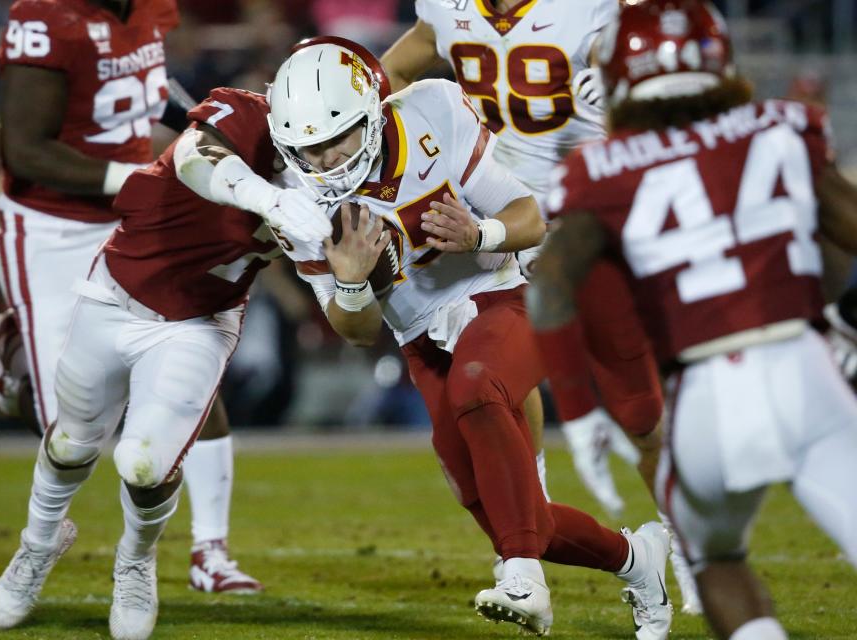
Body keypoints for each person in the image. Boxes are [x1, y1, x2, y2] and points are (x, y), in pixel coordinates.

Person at [229, 36, 670, 638]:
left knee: (479, 384)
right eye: (311, 149)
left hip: (504, 293)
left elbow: (530, 215)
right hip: (418, 336)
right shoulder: (296, 203)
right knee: (518, 516)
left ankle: (522, 580)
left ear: (373, 111)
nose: (328, 159)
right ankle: (637, 560)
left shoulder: (432, 113)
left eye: (339, 137)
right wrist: (355, 285)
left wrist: (480, 233)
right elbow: (356, 332)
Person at [527, 2, 857, 639]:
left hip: (704, 400)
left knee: (715, 558)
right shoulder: (783, 126)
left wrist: (580, 407)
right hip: (803, 368)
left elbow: (551, 289)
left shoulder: (597, 170)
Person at [380, 0, 701, 613]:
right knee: (497, 377)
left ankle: (683, 536)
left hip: (582, 218)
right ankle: (525, 537)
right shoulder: (449, 10)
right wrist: (436, 155)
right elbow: (387, 81)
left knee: (637, 410)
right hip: (499, 217)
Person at [0, 84, 331, 639]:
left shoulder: (349, 188)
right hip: (114, 292)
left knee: (145, 464)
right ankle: (37, 544)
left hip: (198, 321)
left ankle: (135, 560)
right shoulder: (246, 115)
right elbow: (197, 156)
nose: (327, 152)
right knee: (71, 441)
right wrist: (268, 198)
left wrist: (355, 278)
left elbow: (345, 312)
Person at [0, 0, 261, 593]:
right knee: (73, 426)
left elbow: (145, 83)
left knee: (191, 357)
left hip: (130, 217)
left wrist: (199, 125)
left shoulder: (151, 9)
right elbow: (25, 151)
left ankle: (211, 550)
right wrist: (135, 177)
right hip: (51, 226)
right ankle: (17, 347)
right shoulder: (45, 18)